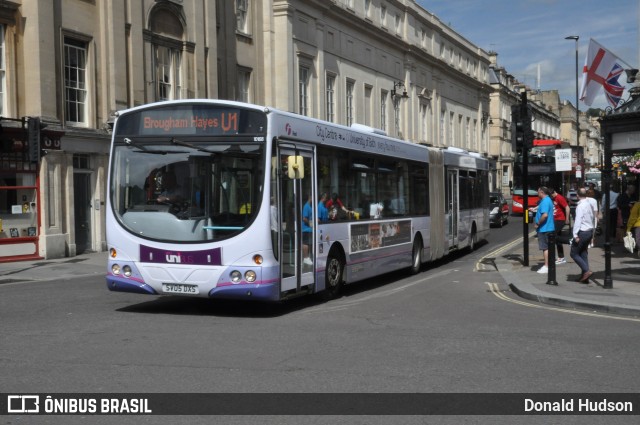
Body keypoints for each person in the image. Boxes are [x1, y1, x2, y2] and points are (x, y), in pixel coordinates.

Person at [570, 188, 595, 283]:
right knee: (583, 253)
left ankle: (586, 270)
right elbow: (592, 217)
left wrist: (575, 235)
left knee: (574, 253)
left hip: (582, 232)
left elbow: (578, 221)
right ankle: (585, 277)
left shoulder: (580, 206)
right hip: (589, 231)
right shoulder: (589, 204)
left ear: (577, 195)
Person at [534, 187, 555, 275]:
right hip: (548, 227)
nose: (537, 194)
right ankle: (548, 265)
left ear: (542, 192)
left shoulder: (545, 201)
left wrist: (538, 223)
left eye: (538, 192)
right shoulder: (548, 200)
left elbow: (545, 215)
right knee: (548, 248)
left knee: (545, 248)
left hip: (544, 228)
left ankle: (546, 266)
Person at [550, 188, 570, 265]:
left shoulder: (559, 197)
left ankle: (569, 241)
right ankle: (561, 257)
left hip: (560, 220)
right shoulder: (554, 198)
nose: (551, 197)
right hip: (556, 219)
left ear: (554, 192)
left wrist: (567, 218)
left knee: (553, 236)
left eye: (551, 195)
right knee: (557, 238)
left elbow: (567, 207)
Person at [301, 194, 313, 266]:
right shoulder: (306, 206)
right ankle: (305, 258)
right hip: (306, 229)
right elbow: (304, 218)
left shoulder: (310, 206)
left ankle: (307, 258)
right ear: (310, 197)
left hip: (309, 229)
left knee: (309, 243)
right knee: (306, 243)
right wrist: (310, 223)